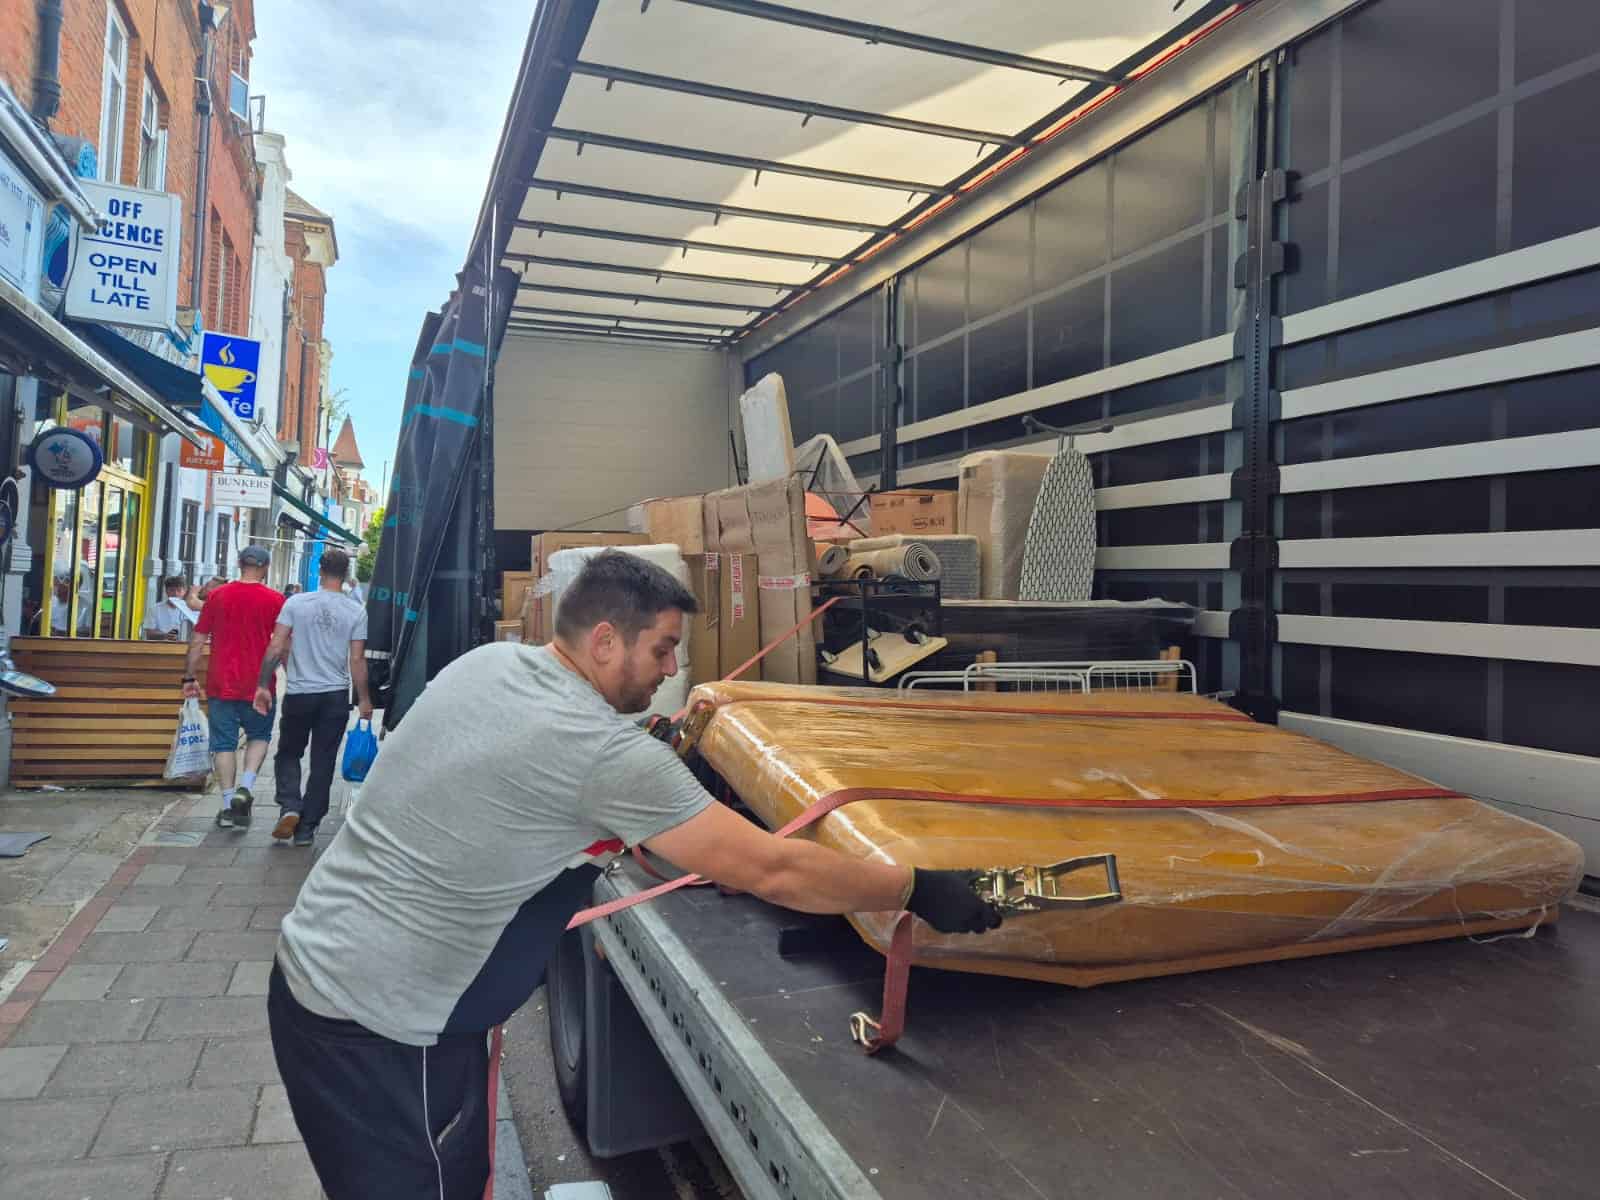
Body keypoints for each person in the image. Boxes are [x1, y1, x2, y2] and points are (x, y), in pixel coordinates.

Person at [268, 552, 1001, 1199]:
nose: (670, 671)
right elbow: (772, 870)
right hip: (380, 1032)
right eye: (662, 650)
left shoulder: (488, 664)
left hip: (322, 970)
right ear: (604, 640)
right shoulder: (602, 756)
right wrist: (913, 888)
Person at [254, 547, 373, 847]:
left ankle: (290, 805)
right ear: (346, 574)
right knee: (323, 761)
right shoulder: (356, 611)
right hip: (334, 696)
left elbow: (276, 645)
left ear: (320, 570)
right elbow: (357, 660)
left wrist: (262, 684)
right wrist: (363, 698)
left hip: (299, 693)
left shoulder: (296, 603)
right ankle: (307, 828)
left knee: (289, 753)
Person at [184, 546, 286, 829]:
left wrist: (189, 677)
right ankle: (247, 786)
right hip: (260, 684)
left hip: (221, 682)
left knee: (224, 743)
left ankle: (229, 806)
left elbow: (198, 640)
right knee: (260, 735)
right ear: (265, 567)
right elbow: (282, 645)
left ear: (239, 564)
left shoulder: (217, 596)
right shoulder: (276, 599)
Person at [143, 575, 196, 641]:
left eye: (179, 590)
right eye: (172, 590)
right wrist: (166, 635)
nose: (175, 594)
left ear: (185, 591)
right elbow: (149, 634)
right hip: (161, 648)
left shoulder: (192, 609)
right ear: (166, 591)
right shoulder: (155, 609)